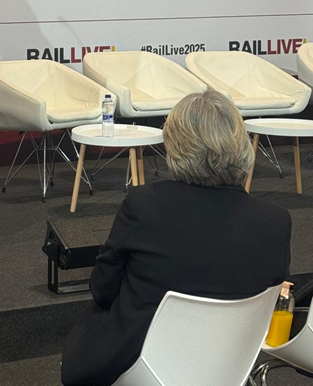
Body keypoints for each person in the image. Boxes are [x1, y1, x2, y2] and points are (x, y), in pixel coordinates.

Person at [61, 89, 292, 386]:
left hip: (145, 368)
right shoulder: (275, 222)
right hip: (228, 367)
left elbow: (102, 290)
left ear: (176, 146)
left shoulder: (143, 205)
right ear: (241, 144)